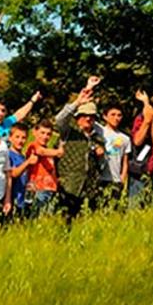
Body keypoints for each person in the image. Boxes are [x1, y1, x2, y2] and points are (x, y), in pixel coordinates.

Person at [54, 80, 105, 225]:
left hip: (89, 188)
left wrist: (101, 155)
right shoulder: (68, 131)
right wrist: (77, 102)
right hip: (68, 186)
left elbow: (101, 163)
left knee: (84, 223)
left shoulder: (98, 137)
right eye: (84, 115)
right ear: (77, 117)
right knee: (64, 222)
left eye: (92, 116)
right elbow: (58, 119)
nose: (88, 118)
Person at [95, 104, 131, 209]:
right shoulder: (99, 130)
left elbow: (125, 161)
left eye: (119, 115)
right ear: (105, 116)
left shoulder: (125, 138)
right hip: (99, 177)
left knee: (112, 208)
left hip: (115, 179)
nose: (116, 118)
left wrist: (122, 178)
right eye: (113, 114)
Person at [23, 119, 62, 217]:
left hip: (50, 188)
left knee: (46, 216)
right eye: (42, 133)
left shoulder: (47, 148)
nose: (45, 136)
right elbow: (41, 152)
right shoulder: (33, 146)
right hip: (38, 187)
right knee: (36, 215)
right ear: (34, 132)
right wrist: (58, 152)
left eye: (48, 134)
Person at [5, 122, 32, 220]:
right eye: (17, 137)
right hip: (11, 198)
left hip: (21, 199)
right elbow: (13, 173)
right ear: (10, 138)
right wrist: (28, 162)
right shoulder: (8, 155)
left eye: (23, 137)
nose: (20, 141)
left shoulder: (22, 157)